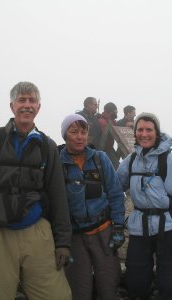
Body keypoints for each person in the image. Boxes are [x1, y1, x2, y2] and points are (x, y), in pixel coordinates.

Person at [0, 81, 72, 300]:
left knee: (56, 296)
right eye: (22, 100)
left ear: (38, 108)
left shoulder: (47, 146)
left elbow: (58, 195)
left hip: (36, 231)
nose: (27, 105)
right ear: (12, 106)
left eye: (32, 101)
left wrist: (63, 243)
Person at [117, 112, 172, 300]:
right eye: (140, 130)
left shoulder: (170, 161)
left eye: (149, 130)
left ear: (157, 132)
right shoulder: (131, 161)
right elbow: (114, 187)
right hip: (139, 227)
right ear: (135, 133)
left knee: (169, 282)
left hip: (167, 227)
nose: (144, 134)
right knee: (136, 280)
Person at [59, 114, 125, 300]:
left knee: (109, 286)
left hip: (103, 233)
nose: (80, 137)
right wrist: (60, 241)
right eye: (73, 132)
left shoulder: (100, 159)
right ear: (65, 135)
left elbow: (115, 194)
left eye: (83, 131)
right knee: (79, 291)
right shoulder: (58, 163)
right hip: (75, 237)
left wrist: (118, 226)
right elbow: (54, 204)